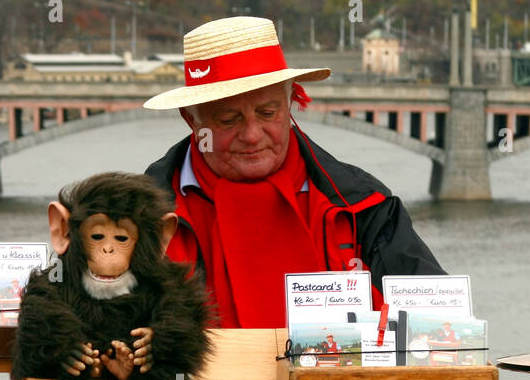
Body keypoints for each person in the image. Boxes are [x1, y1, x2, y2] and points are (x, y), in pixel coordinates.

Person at [144, 16, 445, 328]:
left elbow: (438, 324)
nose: (251, 135)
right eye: (229, 119)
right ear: (191, 120)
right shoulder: (136, 218)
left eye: (267, 113)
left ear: (290, 104)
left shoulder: (365, 207)